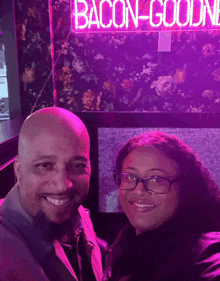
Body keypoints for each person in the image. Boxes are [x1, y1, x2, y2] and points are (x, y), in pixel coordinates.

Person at [0, 107, 103, 281]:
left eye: (77, 165)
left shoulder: (77, 212)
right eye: (45, 165)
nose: (63, 185)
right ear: (19, 170)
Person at [104, 131, 220, 281]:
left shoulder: (204, 251)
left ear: (185, 187)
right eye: (131, 176)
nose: (139, 190)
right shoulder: (126, 242)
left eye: (156, 179)